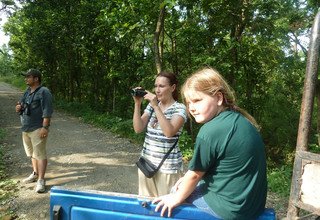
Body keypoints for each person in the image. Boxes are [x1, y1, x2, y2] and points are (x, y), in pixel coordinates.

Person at [152, 67, 267, 219]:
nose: (192, 108)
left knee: (176, 190)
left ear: (219, 98)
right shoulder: (241, 120)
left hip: (231, 209)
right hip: (253, 206)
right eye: (188, 102)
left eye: (197, 100)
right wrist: (187, 178)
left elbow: (194, 176)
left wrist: (176, 197)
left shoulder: (210, 131)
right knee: (185, 183)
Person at [132, 71, 187, 197]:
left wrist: (156, 107)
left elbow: (169, 132)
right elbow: (138, 128)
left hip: (168, 169)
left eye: (161, 86)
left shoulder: (180, 108)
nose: (157, 90)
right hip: (146, 165)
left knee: (165, 209)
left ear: (172, 88)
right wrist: (137, 103)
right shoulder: (152, 107)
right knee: (146, 206)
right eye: (155, 86)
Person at [15, 68, 53, 193]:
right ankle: (35, 174)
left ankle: (41, 180)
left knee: (40, 154)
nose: (26, 78)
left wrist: (45, 127)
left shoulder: (44, 92)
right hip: (25, 128)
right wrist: (19, 107)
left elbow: (47, 110)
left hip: (37, 128)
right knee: (32, 154)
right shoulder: (27, 91)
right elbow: (22, 105)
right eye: (25, 76)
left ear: (36, 78)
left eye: (28, 76)